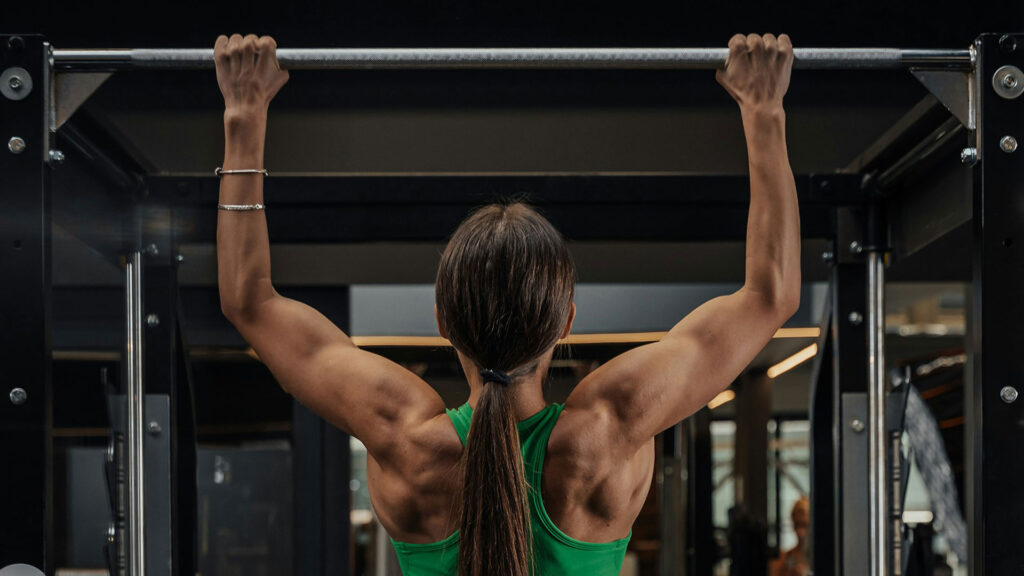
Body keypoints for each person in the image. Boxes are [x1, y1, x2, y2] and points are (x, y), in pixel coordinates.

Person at [214, 32, 799, 576]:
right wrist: (764, 111)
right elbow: (770, 295)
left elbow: (250, 302)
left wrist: (244, 115)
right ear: (566, 319)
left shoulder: (403, 435)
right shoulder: (609, 426)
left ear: (443, 320)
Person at [771, 497, 811, 576]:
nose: (800, 532)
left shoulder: (820, 557)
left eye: (804, 525)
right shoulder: (785, 558)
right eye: (797, 524)